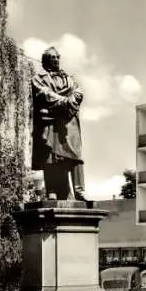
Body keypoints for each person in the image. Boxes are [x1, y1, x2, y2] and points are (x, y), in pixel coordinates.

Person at [31, 46, 87, 201]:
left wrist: (71, 101)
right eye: (51, 57)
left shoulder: (70, 78)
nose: (55, 59)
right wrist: (64, 101)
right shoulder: (38, 78)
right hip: (51, 123)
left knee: (75, 156)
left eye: (57, 57)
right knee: (51, 157)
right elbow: (44, 94)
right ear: (45, 61)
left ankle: (80, 191)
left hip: (69, 123)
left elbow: (78, 92)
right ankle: (52, 190)